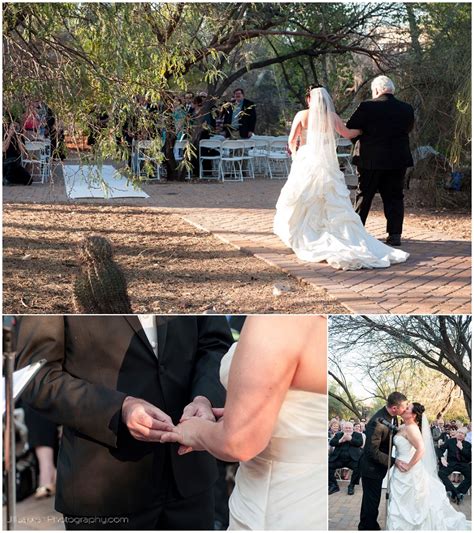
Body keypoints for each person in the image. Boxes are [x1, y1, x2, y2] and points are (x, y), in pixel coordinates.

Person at [15, 316, 233, 530]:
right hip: (104, 492)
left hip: (191, 483)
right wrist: (119, 408)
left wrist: (205, 397)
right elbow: (37, 375)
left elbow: (215, 343)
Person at [161, 315, 327, 530]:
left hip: (277, 499)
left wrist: (196, 430)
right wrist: (236, 414)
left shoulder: (278, 322)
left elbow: (237, 442)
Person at [274, 86, 409, 270]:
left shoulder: (301, 115)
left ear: (309, 100)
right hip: (326, 162)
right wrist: (364, 130)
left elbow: (291, 140)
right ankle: (334, 232)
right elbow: (347, 133)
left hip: (305, 160)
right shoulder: (332, 116)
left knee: (303, 197)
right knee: (330, 197)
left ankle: (302, 233)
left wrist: (296, 156)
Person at [346, 75, 415, 246]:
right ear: (392, 90)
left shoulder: (367, 106)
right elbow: (408, 129)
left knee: (364, 195)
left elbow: (351, 129)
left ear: (376, 90)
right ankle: (395, 235)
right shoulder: (407, 108)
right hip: (397, 159)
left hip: (370, 160)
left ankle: (357, 231)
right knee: (395, 197)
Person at [386, 403, 470, 530]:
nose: (404, 409)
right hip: (399, 467)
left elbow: (421, 449)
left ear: (413, 415)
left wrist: (409, 465)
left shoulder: (412, 428)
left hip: (409, 469)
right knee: (402, 502)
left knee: (413, 501)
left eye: (407, 408)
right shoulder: (403, 426)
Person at [358, 391, 408, 530]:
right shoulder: (377, 422)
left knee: (372, 501)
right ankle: (367, 528)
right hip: (370, 469)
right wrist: (394, 461)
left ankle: (368, 525)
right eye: (403, 407)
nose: (405, 409)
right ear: (394, 408)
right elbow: (371, 451)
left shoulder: (393, 417)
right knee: (371, 502)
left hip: (378, 468)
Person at [437, 426, 472, 504]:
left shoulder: (468, 444)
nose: (460, 434)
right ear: (456, 433)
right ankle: (457, 493)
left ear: (465, 436)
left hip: (463, 465)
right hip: (451, 464)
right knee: (441, 473)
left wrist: (462, 448)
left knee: (471, 476)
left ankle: (456, 492)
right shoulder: (450, 441)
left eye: (462, 433)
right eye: (459, 432)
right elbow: (439, 449)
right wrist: (442, 458)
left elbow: (470, 457)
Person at [328, 421, 363, 495]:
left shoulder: (357, 435)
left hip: (352, 459)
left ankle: (351, 486)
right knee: (328, 465)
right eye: (346, 428)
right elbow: (331, 443)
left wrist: (350, 439)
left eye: (349, 428)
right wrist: (340, 440)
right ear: (343, 428)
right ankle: (333, 485)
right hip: (339, 459)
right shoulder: (338, 434)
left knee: (359, 467)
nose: (348, 429)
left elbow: (360, 443)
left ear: (352, 428)